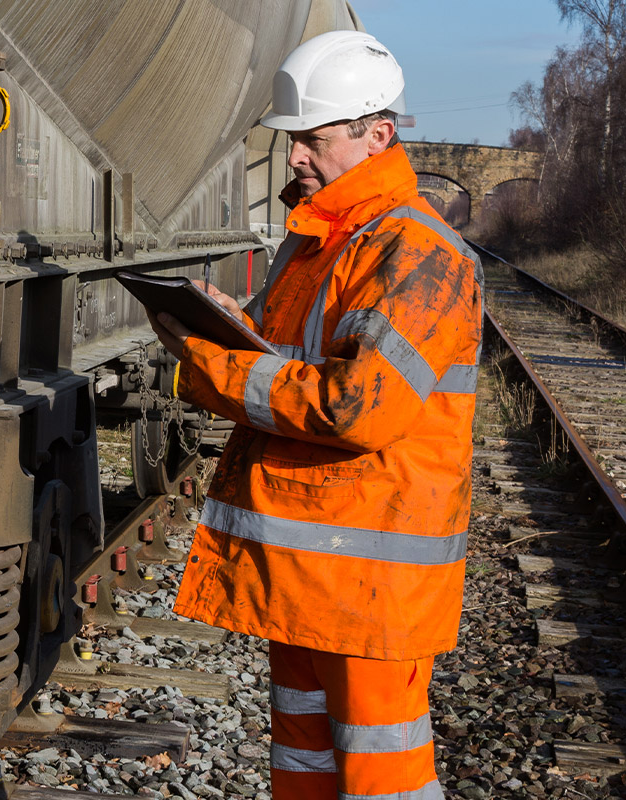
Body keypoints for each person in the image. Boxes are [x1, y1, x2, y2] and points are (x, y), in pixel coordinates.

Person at [147, 30, 483, 800]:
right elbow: (281, 362)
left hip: (371, 583)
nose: (296, 156)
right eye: (294, 140)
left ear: (379, 135)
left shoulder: (419, 255)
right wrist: (227, 329)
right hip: (306, 572)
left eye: (313, 139)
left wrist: (216, 364)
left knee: (382, 774)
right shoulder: (320, 243)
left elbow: (356, 407)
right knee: (302, 761)